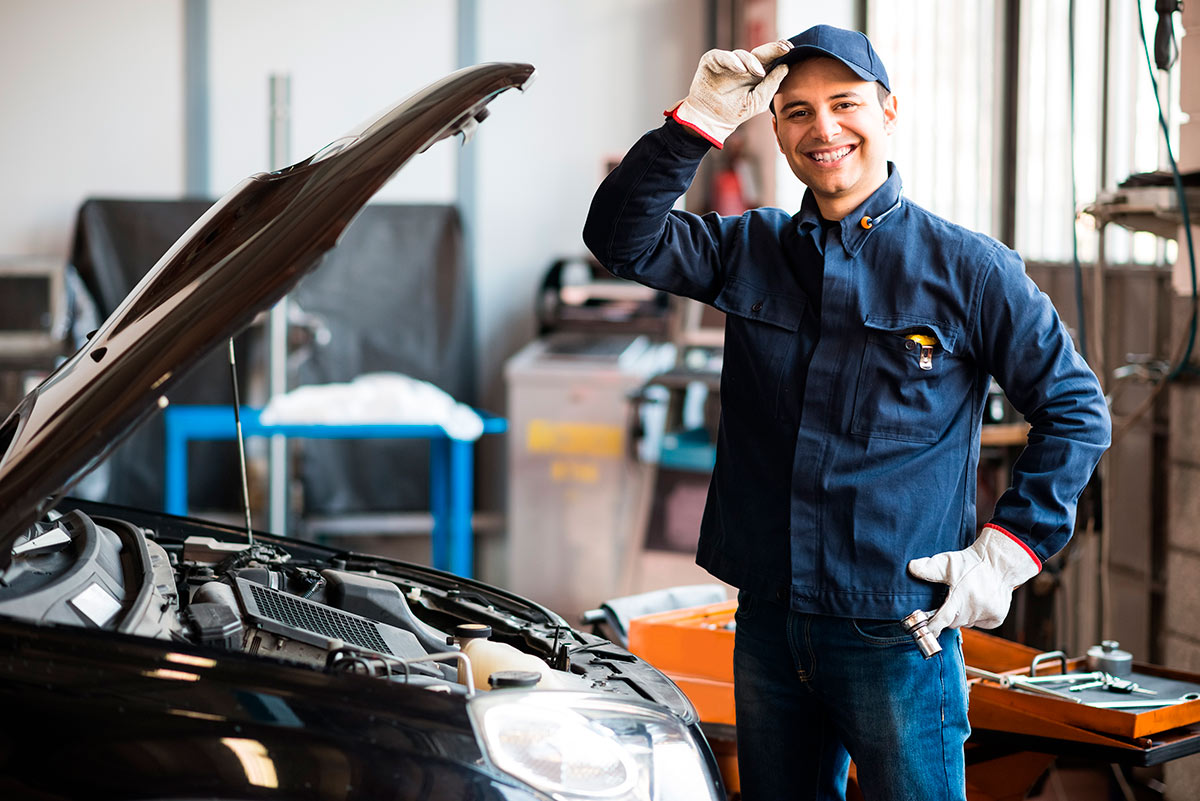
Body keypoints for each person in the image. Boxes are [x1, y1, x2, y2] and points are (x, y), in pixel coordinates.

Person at [582, 24, 1110, 801]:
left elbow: (1075, 408)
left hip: (896, 629)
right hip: (768, 619)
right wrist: (695, 122)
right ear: (775, 128)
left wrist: (1008, 549)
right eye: (796, 111)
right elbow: (620, 239)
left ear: (888, 110)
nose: (822, 129)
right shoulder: (753, 248)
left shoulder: (967, 268)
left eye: (844, 103)